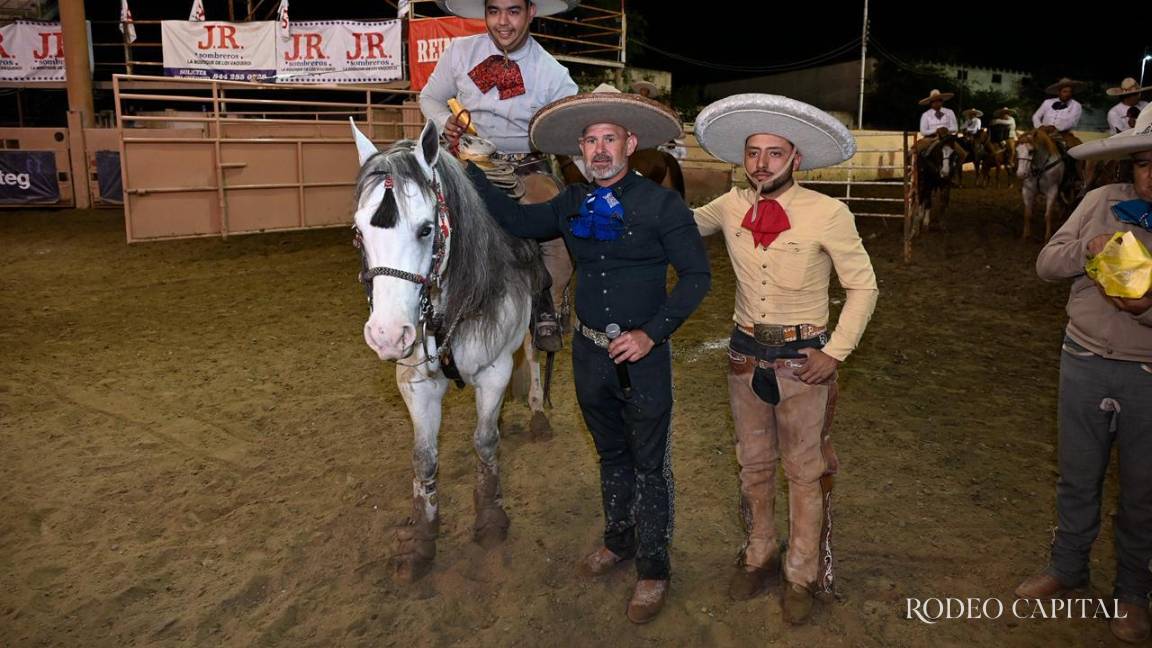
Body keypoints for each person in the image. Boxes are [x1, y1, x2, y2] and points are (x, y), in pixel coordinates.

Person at [461, 85, 711, 624]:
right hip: (590, 355)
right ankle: (618, 541)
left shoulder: (663, 204)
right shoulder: (572, 202)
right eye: (590, 141)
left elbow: (697, 277)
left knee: (650, 462)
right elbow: (519, 221)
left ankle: (653, 567)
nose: (599, 150)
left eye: (609, 139)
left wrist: (652, 333)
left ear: (630, 143)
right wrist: (471, 171)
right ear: (580, 150)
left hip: (642, 355)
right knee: (611, 455)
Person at [692, 94, 879, 624]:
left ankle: (800, 571)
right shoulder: (728, 205)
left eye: (775, 153)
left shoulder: (828, 212)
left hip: (804, 360)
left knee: (803, 469)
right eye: (753, 152)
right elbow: (677, 225)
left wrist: (835, 352)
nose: (762, 163)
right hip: (745, 357)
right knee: (752, 464)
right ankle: (759, 553)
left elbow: (863, 288)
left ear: (796, 158)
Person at [1017, 103, 1152, 645]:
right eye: (1143, 164)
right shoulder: (1101, 201)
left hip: (1146, 374)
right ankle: (1067, 566)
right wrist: (1087, 249)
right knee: (1077, 475)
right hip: (1084, 361)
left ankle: (1134, 593)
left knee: (1143, 490)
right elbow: (1047, 264)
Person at [421, 0, 580, 351]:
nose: (502, 22)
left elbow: (571, 122)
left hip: (525, 165)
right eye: (494, 11)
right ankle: (424, 301)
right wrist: (441, 121)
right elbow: (430, 97)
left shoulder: (552, 72)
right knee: (419, 217)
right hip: (466, 161)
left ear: (530, 12)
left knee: (550, 222)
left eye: (513, 11)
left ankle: (546, 306)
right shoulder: (459, 52)